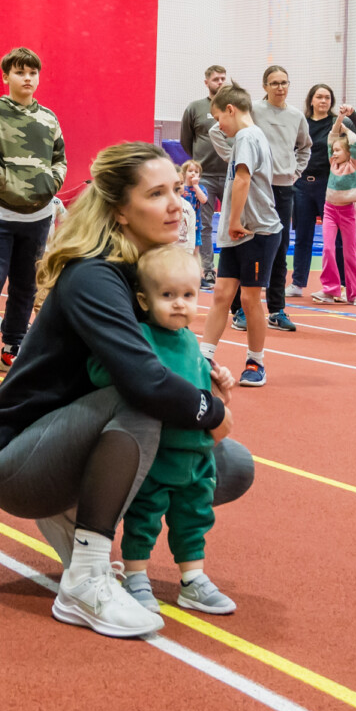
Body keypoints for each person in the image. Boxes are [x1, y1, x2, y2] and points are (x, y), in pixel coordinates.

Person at [0, 142, 248, 640]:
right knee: (142, 403)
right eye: (157, 194)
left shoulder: (147, 274)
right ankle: (85, 579)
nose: (176, 204)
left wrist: (203, 379)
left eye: (177, 190)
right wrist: (208, 411)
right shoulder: (94, 275)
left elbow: (164, 361)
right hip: (16, 460)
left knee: (230, 465)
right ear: (120, 211)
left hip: (78, 437)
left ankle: (76, 516)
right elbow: (144, 381)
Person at [88, 246, 236, 616]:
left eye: (188, 295)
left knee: (195, 517)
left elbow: (198, 389)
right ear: (144, 300)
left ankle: (193, 578)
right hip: (157, 453)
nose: (179, 304)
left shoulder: (191, 342)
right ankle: (136, 575)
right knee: (144, 516)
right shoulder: (140, 336)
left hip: (196, 455)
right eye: (167, 295)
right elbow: (106, 371)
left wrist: (218, 385)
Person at [0, 47, 66, 375]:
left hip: (37, 217)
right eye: (20, 72)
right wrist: (2, 180)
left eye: (33, 73)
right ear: (6, 76)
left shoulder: (49, 118)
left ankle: (12, 347)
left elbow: (60, 159)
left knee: (25, 286)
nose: (27, 78)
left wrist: (51, 183)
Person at [211, 66, 310, 332]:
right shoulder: (250, 111)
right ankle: (240, 309)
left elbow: (305, 147)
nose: (280, 87)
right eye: (274, 83)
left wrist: (295, 171)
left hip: (283, 187)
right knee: (244, 245)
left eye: (284, 82)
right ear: (265, 86)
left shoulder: (296, 116)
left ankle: (277, 310)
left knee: (279, 251)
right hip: (254, 187)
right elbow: (216, 131)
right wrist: (235, 160)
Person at [199, 85, 285, 388]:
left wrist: (234, 220)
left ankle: (255, 361)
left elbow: (243, 178)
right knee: (222, 295)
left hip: (255, 230)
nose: (218, 125)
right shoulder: (244, 136)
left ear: (231, 110)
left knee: (249, 299)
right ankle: (204, 356)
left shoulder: (248, 137)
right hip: (236, 232)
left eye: (218, 117)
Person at [291, 85, 356, 297]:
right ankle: (297, 283)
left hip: (329, 187)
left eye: (327, 97)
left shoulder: (339, 122)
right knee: (302, 236)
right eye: (319, 97)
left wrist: (352, 114)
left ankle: (342, 285)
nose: (323, 101)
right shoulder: (302, 123)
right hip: (302, 185)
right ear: (311, 100)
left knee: (337, 240)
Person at [179, 65, 229, 286]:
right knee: (204, 226)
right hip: (204, 177)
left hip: (231, 175)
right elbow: (186, 140)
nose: (220, 82)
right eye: (216, 79)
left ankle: (229, 270)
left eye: (223, 78)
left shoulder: (232, 108)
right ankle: (208, 270)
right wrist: (199, 164)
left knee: (232, 223)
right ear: (206, 82)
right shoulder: (195, 108)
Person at [314, 118, 356, 306]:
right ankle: (330, 290)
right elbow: (331, 137)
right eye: (334, 150)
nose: (334, 153)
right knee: (328, 249)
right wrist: (338, 120)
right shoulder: (333, 163)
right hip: (329, 210)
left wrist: (346, 129)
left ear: (349, 152)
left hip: (347, 212)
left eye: (339, 150)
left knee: (349, 253)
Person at [176, 160, 207, 251]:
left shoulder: (200, 188)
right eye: (190, 171)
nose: (193, 173)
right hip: (181, 224)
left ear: (199, 176)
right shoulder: (181, 188)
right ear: (184, 174)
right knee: (181, 247)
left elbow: (203, 200)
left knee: (195, 249)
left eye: (196, 172)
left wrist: (195, 185)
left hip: (196, 225)